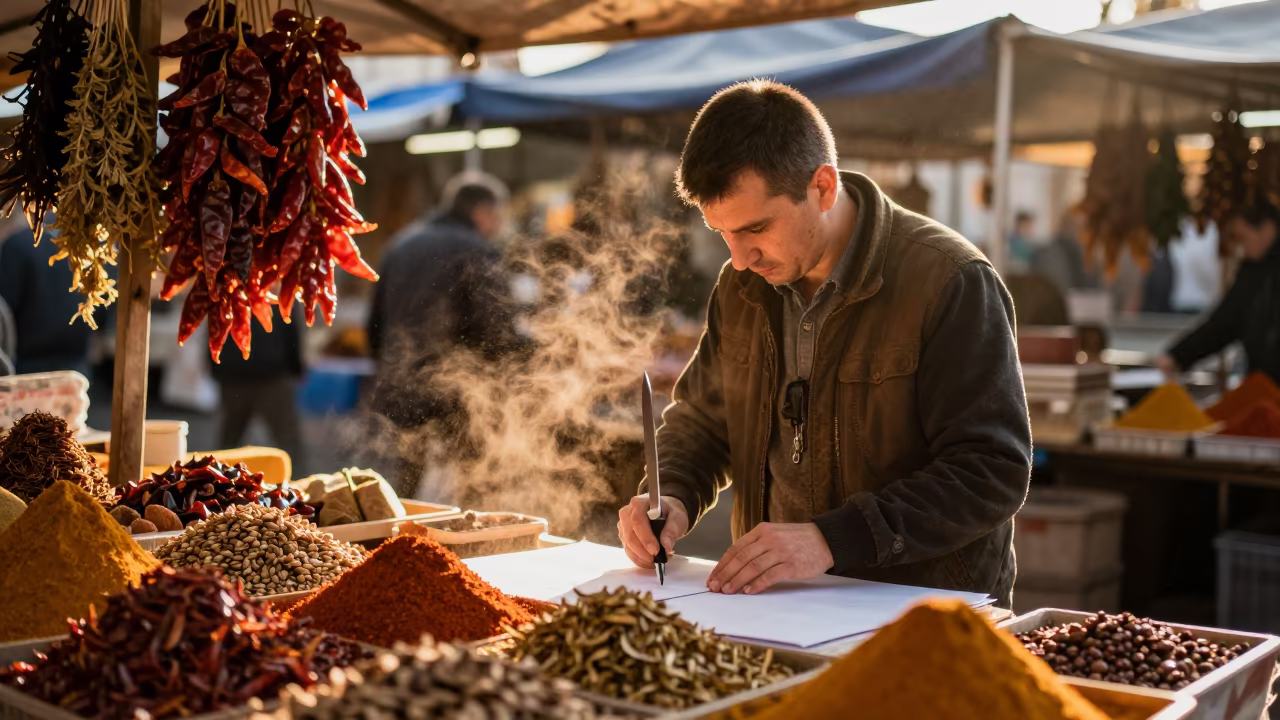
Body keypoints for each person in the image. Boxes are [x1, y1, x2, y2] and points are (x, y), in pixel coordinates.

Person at [616, 81, 1031, 608]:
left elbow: (991, 471)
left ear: (823, 187)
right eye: (724, 233)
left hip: (926, 617)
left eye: (757, 228)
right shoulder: (739, 286)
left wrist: (830, 539)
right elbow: (702, 421)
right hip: (780, 607)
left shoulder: (950, 280)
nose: (741, 258)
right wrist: (670, 492)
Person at [366, 172, 527, 496]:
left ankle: (394, 537)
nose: (496, 225)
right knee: (470, 480)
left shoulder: (401, 243)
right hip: (455, 391)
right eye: (496, 216)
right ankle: (463, 539)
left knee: (401, 484)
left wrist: (388, 369)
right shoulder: (477, 250)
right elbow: (496, 328)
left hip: (399, 383)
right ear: (482, 212)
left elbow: (375, 324)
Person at [1158, 202, 1280, 384]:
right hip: (1263, 388)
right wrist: (1180, 355)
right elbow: (1225, 321)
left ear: (1268, 229)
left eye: (1243, 238)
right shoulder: (1253, 271)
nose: (1242, 247)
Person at [210, 305, 304, 463]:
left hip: (246, 376)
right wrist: (296, 368)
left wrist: (216, 369)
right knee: (287, 441)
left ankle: (214, 480)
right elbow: (291, 331)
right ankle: (215, 482)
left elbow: (213, 332)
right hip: (263, 376)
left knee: (228, 442)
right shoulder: (275, 289)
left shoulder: (224, 291)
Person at [0, 223, 93, 376]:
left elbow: (5, 312)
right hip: (77, 368)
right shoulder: (87, 244)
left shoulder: (17, 245)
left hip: (26, 369)